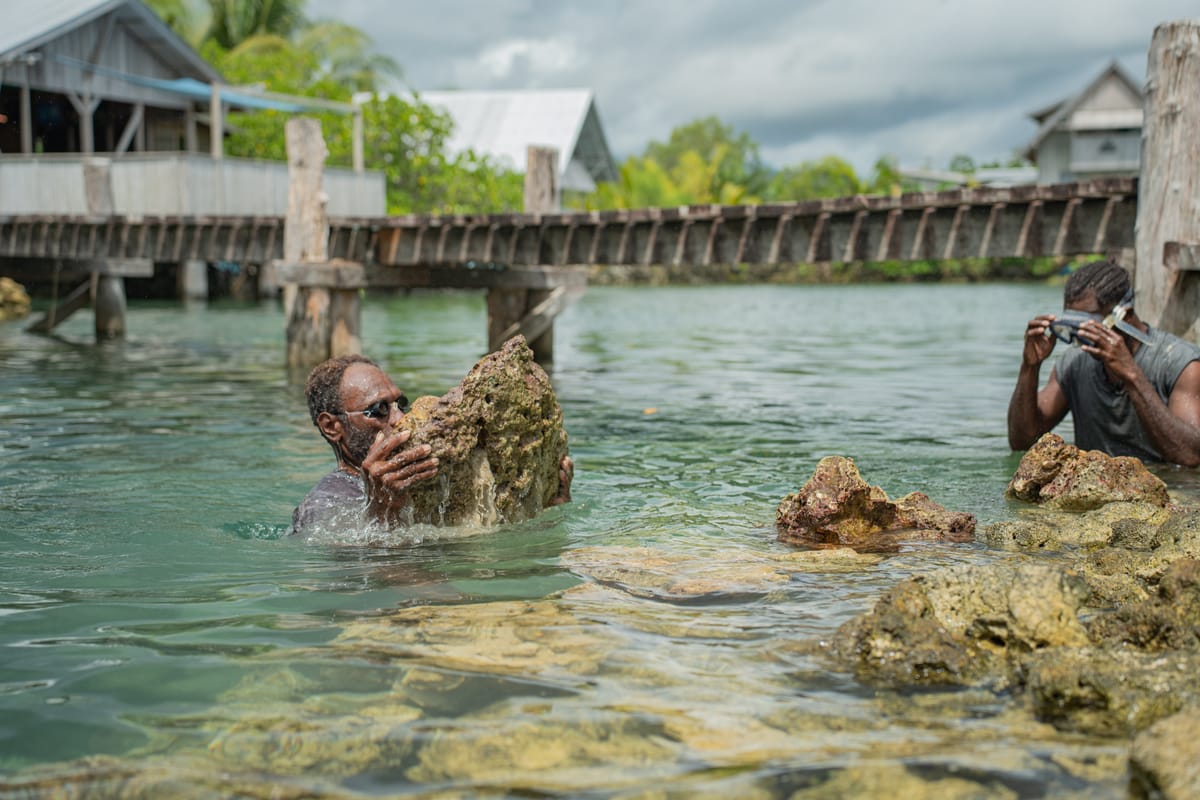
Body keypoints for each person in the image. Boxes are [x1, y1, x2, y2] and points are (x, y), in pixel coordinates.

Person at [293, 354, 573, 534]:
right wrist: (381, 511)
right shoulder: (325, 502)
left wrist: (545, 507)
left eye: (401, 404)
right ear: (332, 427)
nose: (400, 417)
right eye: (378, 409)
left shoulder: (430, 481)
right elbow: (357, 572)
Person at [1007, 258, 1200, 466]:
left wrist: (1132, 377)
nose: (1080, 339)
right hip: (1096, 488)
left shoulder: (1181, 364)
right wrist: (1030, 368)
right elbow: (1022, 442)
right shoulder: (1074, 363)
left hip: (1166, 491)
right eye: (1073, 329)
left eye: (1090, 329)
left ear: (1124, 316)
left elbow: (1191, 456)